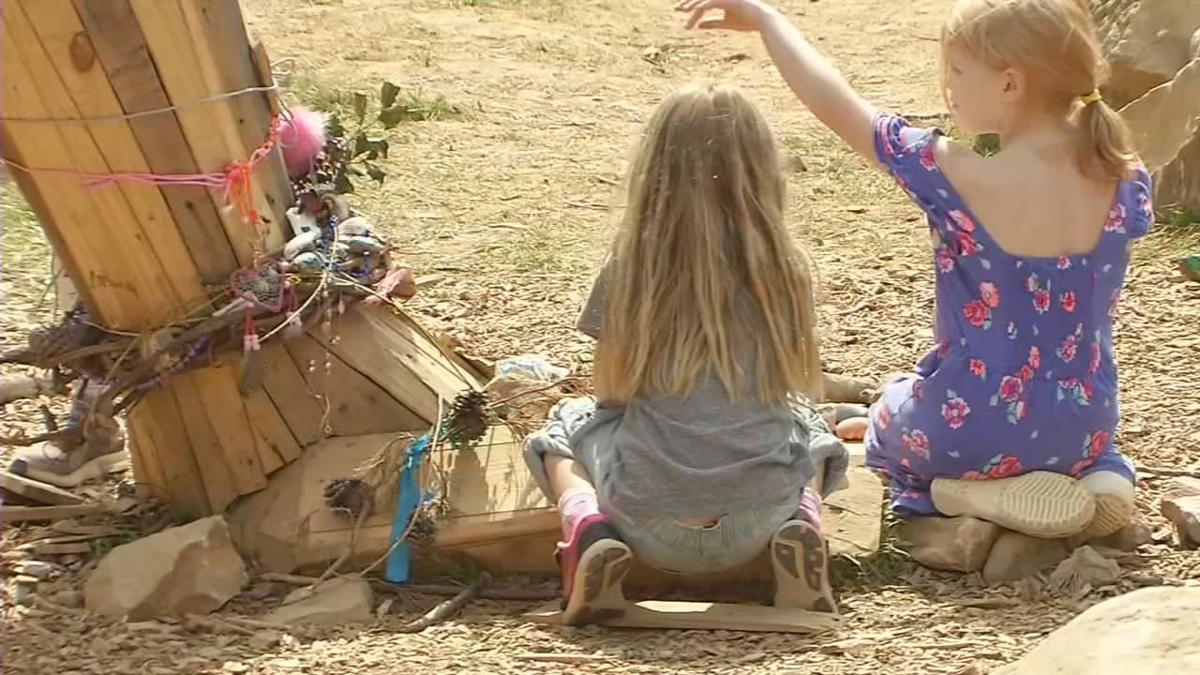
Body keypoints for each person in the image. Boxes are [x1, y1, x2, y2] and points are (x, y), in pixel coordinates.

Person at [679, 0, 1149, 542]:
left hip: (964, 427)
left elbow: (837, 104)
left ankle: (958, 492)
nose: (947, 87)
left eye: (956, 71)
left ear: (1010, 84)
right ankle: (1105, 480)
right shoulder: (1124, 176)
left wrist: (769, 22)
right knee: (1095, 446)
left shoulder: (952, 169)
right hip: (1082, 423)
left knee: (886, 415)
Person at [522, 83, 850, 625]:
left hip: (644, 516)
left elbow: (612, 391)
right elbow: (794, 379)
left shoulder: (630, 269)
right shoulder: (786, 271)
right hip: (762, 515)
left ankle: (588, 529)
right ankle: (804, 526)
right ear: (763, 171)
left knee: (563, 426)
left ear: (654, 170)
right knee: (813, 430)